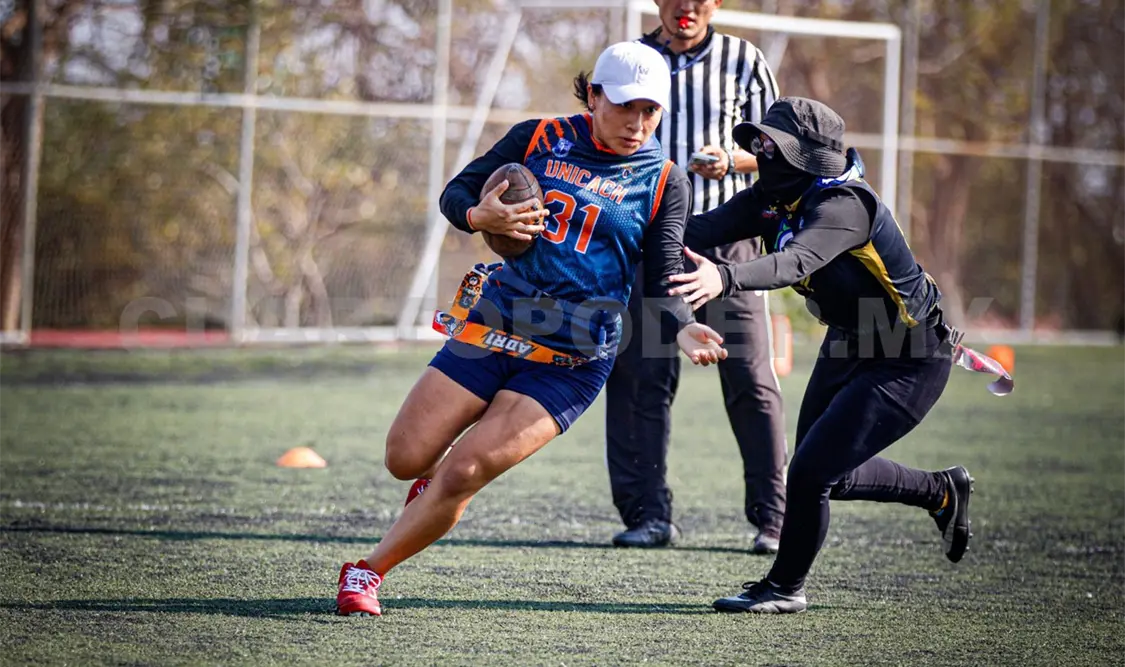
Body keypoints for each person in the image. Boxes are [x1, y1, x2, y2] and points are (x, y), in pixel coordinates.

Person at [334, 42, 728, 617]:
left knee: (464, 472)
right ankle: (430, 488)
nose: (637, 123)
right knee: (406, 459)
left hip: (571, 360)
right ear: (594, 96)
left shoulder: (665, 179)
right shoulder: (539, 137)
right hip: (496, 323)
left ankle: (366, 572)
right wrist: (479, 216)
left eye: (650, 111)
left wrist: (683, 326)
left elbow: (665, 270)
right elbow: (455, 193)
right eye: (624, 106)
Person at [669, 97, 974, 613]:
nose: (761, 152)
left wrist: (724, 276)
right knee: (825, 471)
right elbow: (694, 231)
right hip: (850, 340)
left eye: (773, 145)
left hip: (909, 354)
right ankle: (941, 491)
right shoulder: (771, 196)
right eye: (761, 142)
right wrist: (616, 225)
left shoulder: (844, 205)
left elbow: (794, 262)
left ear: (807, 157)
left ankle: (784, 587)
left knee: (812, 472)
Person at [606, 0, 788, 554]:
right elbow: (601, 138)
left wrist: (733, 161)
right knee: (640, 377)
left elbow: (780, 152)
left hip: (727, 241)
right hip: (646, 238)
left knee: (750, 377)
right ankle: (647, 515)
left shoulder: (744, 59)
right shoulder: (629, 59)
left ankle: (774, 518)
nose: (686, 5)